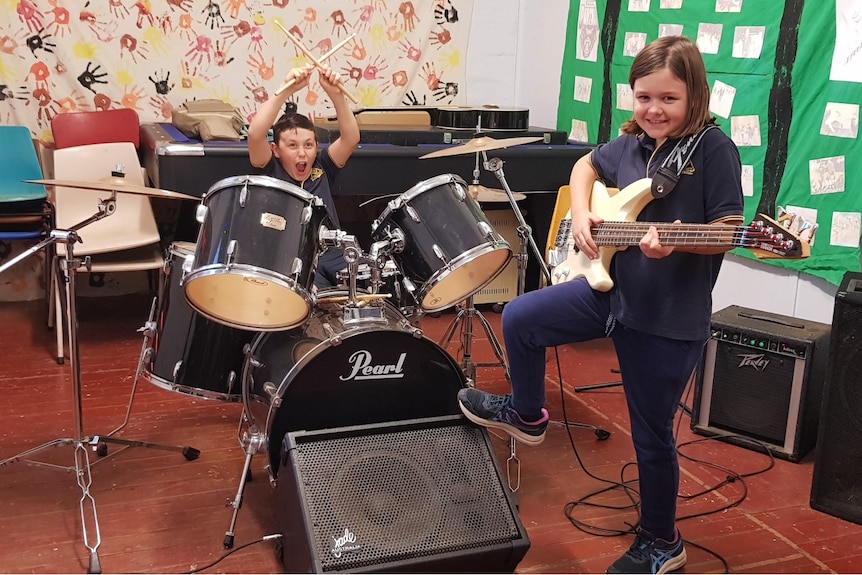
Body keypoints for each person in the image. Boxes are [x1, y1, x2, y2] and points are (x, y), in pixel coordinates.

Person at [457, 36, 744, 574]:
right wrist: (584, 214)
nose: (654, 110)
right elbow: (585, 166)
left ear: (695, 97)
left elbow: (729, 231)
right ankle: (527, 412)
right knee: (520, 317)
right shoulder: (630, 143)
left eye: (668, 99)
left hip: (666, 318)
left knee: (650, 435)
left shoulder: (712, 151)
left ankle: (662, 541)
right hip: (609, 292)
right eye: (643, 97)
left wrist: (676, 241)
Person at [247, 63, 360, 290]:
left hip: (333, 252)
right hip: (292, 257)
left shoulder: (322, 164)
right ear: (276, 150)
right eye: (292, 145)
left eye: (309, 145)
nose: (302, 153)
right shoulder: (270, 166)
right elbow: (255, 133)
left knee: (366, 283)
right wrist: (285, 89)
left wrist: (336, 95)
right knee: (309, 296)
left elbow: (351, 137)